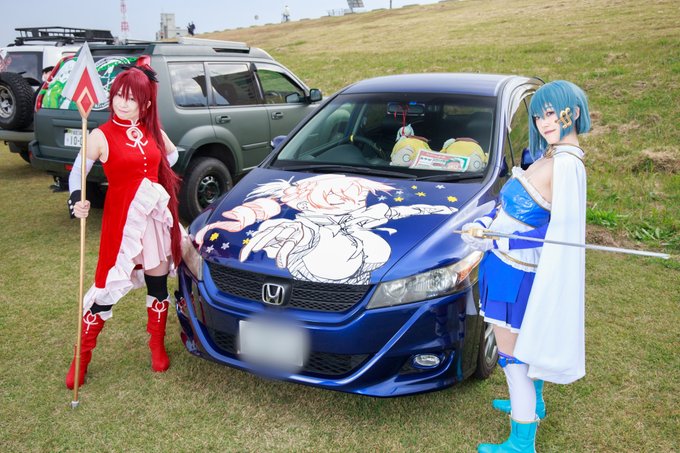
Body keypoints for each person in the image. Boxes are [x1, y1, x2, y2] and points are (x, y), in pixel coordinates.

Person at [462, 80, 591, 452]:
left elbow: (555, 232)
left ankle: (521, 442)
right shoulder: (554, 155)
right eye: (538, 116)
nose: (543, 122)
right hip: (506, 264)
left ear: (573, 113)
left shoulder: (566, 165)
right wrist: (486, 226)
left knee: (514, 360)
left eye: (551, 113)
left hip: (515, 271)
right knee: (521, 348)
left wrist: (497, 240)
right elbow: (514, 211)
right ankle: (532, 404)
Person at [65, 64, 182, 389]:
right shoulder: (100, 135)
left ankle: (157, 347)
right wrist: (77, 199)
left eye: (131, 98)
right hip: (122, 222)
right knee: (107, 288)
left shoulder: (152, 131)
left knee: (158, 285)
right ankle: (81, 357)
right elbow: (77, 173)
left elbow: (171, 157)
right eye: (118, 95)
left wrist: (157, 177)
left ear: (146, 103)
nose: (122, 102)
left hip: (153, 220)